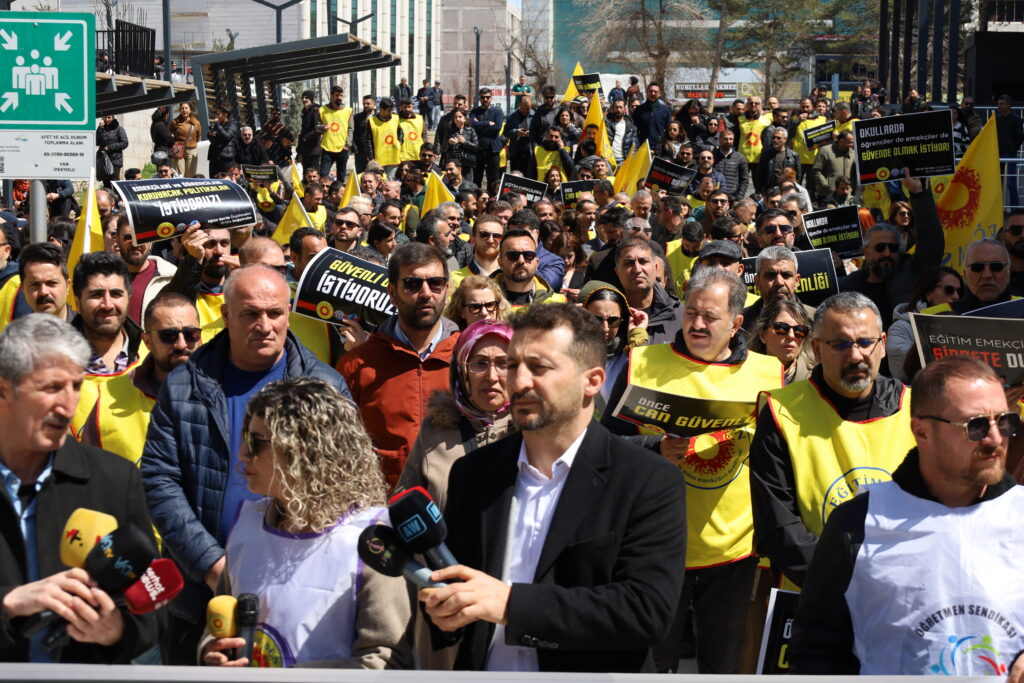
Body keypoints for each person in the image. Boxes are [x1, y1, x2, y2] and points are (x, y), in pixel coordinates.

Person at [420, 303, 687, 672]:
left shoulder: (648, 480)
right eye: (513, 366)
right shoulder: (473, 473)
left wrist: (512, 605)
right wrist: (443, 609)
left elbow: (646, 611)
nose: (518, 382)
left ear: (592, 381)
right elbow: (460, 588)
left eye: (539, 367)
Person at [140, 265, 350, 664]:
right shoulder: (184, 386)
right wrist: (212, 565)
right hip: (198, 598)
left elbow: (343, 485)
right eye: (250, 313)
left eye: (275, 313)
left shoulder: (325, 387)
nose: (264, 326)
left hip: (298, 590)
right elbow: (159, 478)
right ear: (225, 315)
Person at [789, 356, 1024, 675]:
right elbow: (815, 652)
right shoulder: (857, 524)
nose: (996, 439)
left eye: (1006, 422)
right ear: (922, 432)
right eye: (976, 426)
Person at [601, 268, 783, 674]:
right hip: (654, 547)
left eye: (710, 317)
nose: (697, 324)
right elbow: (604, 446)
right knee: (652, 663)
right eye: (691, 313)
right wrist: (654, 447)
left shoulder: (768, 373)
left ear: (736, 323)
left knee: (722, 664)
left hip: (733, 550)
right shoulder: (643, 364)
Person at [200, 377, 412, 668]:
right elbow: (219, 625)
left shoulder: (372, 539)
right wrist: (211, 652)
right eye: (246, 437)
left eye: (256, 442)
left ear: (305, 449)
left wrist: (284, 679)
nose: (243, 454)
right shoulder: (247, 525)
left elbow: (386, 661)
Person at [0, 314, 161, 663]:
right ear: (3, 390)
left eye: (75, 386)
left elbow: (153, 605)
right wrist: (9, 604)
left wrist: (116, 629)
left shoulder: (115, 480)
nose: (67, 406)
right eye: (51, 388)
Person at [749, 292, 915, 592]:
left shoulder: (916, 409)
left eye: (865, 342)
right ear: (816, 349)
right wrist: (851, 583)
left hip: (904, 591)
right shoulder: (780, 412)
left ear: (882, 345)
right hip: (817, 595)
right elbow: (779, 528)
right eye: (840, 344)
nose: (856, 355)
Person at [336, 243, 459, 489]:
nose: (426, 293)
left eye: (435, 283)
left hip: (454, 502)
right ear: (392, 292)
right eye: (412, 284)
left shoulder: (467, 358)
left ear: (446, 290)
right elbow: (338, 446)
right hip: (381, 503)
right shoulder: (356, 364)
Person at [74, 292, 203, 467]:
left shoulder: (224, 391)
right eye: (169, 335)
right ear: (147, 341)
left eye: (191, 334)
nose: (181, 344)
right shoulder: (108, 400)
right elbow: (86, 470)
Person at [839, 173, 944, 329]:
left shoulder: (913, 274)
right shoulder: (850, 286)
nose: (887, 253)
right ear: (866, 252)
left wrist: (919, 194)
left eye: (893, 248)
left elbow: (932, 243)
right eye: (880, 248)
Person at [578, 280, 648, 412]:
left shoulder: (628, 356)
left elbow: (647, 393)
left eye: (613, 320)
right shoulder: (566, 352)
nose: (605, 328)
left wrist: (637, 341)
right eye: (596, 319)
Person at [886, 266, 964, 383]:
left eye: (960, 292)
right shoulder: (901, 327)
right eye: (949, 290)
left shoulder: (964, 320)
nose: (956, 296)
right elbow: (901, 370)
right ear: (929, 294)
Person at [71, 252, 144, 375]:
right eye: (96, 295)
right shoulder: (54, 362)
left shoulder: (150, 355)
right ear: (78, 303)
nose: (108, 305)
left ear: (128, 299)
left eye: (116, 294)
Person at [922, 238, 1015, 315]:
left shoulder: (1020, 307)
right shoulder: (931, 317)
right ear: (965, 275)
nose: (987, 275)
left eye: (996, 267)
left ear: (1009, 272)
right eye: (977, 267)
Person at [741, 245, 815, 332]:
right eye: (770, 275)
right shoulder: (740, 322)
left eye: (786, 275)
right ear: (757, 282)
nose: (779, 282)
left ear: (797, 281)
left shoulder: (816, 320)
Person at [493, 228, 567, 309]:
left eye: (528, 255)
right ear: (500, 263)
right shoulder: (483, 300)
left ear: (537, 263)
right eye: (513, 255)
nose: (521, 261)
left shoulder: (557, 304)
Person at [746, 298, 815, 384]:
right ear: (763, 335)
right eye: (782, 328)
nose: (791, 336)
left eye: (799, 330)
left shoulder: (817, 378)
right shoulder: (743, 375)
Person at [469, 88, 505, 193]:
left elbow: (497, 127)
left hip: (493, 149)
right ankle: (477, 198)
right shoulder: (474, 112)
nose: (485, 99)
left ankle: (492, 198)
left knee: (494, 179)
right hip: (478, 150)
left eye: (487, 97)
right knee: (476, 178)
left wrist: (479, 125)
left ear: (491, 98)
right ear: (479, 98)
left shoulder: (497, 111)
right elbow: (471, 124)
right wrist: (488, 123)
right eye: (483, 97)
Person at [444, 275, 510, 330]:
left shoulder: (510, 339)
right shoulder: (453, 341)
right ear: (461, 311)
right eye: (475, 307)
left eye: (490, 305)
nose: (484, 313)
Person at [440, 109, 480, 184]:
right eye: (455, 117)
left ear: (465, 119)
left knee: (467, 185)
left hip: (467, 163)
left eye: (460, 117)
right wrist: (449, 143)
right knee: (452, 185)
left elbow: (476, 147)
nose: (457, 119)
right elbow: (443, 148)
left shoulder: (471, 131)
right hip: (453, 164)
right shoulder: (449, 130)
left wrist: (465, 142)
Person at [631, 82, 671, 148]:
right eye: (651, 91)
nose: (653, 93)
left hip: (660, 148)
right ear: (646, 92)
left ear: (659, 94)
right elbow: (634, 130)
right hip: (643, 147)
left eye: (655, 91)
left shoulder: (665, 110)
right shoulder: (638, 110)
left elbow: (668, 129)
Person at [96, 114, 129, 187]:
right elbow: (96, 142)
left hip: (115, 160)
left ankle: (116, 194)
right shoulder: (101, 129)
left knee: (114, 183)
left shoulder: (119, 129)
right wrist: (100, 128)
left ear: (113, 118)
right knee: (106, 183)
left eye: (109, 117)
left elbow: (125, 143)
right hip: (103, 160)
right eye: (105, 117)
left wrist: (110, 147)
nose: (107, 119)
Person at [207, 105, 239, 178]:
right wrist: (210, 135)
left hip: (226, 159)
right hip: (215, 158)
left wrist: (218, 126)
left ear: (225, 115)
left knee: (225, 179)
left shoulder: (232, 125)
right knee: (213, 179)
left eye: (218, 114)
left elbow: (227, 137)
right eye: (216, 114)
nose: (216, 116)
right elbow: (214, 139)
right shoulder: (218, 125)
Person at [297, 89, 322, 173]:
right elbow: (303, 130)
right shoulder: (305, 111)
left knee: (313, 173)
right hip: (305, 149)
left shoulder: (316, 110)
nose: (304, 100)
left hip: (313, 149)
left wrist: (306, 137)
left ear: (311, 98)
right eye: (302, 98)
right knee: (306, 173)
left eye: (306, 98)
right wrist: (299, 147)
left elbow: (318, 129)